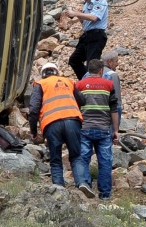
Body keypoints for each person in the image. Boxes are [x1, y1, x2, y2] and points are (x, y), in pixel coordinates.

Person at [28, 62, 84, 189]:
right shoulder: (69, 81)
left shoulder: (41, 84)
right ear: (57, 72)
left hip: (52, 124)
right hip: (72, 121)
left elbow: (33, 110)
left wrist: (34, 132)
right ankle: (82, 183)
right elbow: (82, 100)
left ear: (43, 75)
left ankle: (59, 189)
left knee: (55, 159)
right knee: (76, 156)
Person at [73, 58, 119, 200]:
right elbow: (114, 109)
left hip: (85, 127)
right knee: (105, 161)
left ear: (89, 71)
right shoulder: (109, 85)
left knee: (83, 158)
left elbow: (75, 107)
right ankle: (104, 195)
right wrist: (116, 130)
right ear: (101, 71)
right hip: (104, 129)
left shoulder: (79, 85)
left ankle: (85, 184)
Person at [66, 0, 108, 78]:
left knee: (92, 64)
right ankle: (86, 80)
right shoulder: (87, 4)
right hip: (87, 35)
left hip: (96, 35)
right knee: (74, 60)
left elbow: (94, 17)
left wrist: (76, 13)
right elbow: (85, 22)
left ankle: (94, 82)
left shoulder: (100, 1)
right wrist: (79, 16)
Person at [102, 48, 123, 126]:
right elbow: (117, 101)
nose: (117, 64)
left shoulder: (89, 74)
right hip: (109, 114)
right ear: (110, 62)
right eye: (116, 61)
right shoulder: (112, 75)